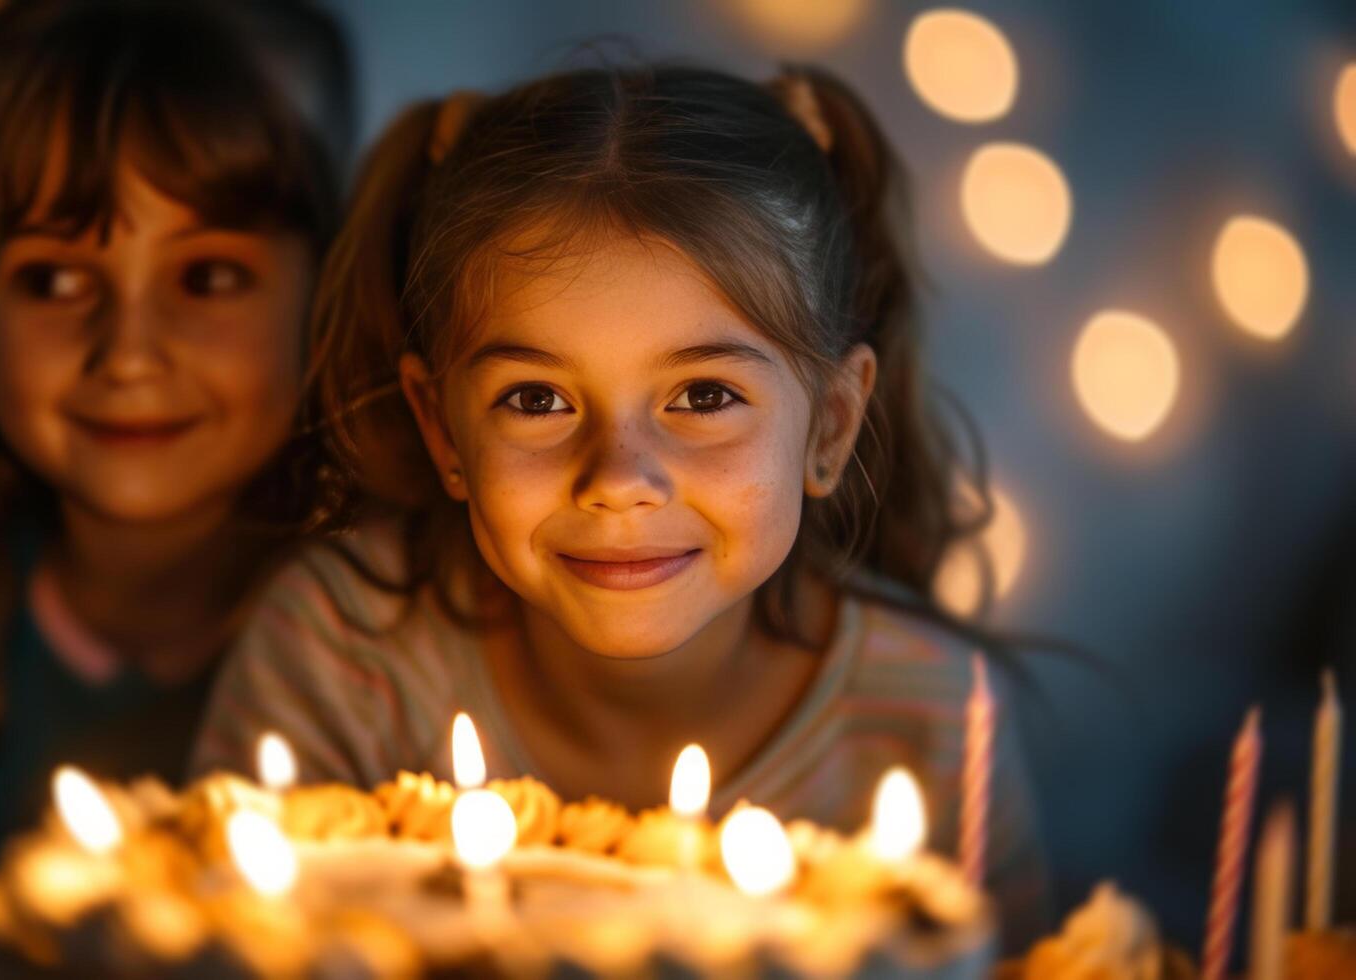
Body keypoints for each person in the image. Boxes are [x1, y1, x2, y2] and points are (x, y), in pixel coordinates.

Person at [193, 63, 1051, 949]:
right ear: (442, 430)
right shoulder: (341, 656)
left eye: (704, 396)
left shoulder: (936, 720)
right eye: (536, 400)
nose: (617, 478)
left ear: (829, 425)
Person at [0, 0, 352, 905]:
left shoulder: (395, 640)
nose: (128, 353)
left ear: (322, 290)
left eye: (208, 276)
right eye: (53, 279)